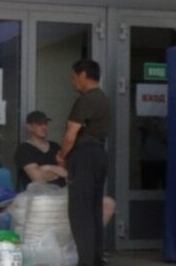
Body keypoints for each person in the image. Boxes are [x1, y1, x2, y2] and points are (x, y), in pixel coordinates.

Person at [14, 110, 116, 225]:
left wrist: (48, 167)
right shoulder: (24, 149)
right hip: (41, 197)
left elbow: (69, 173)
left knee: (108, 203)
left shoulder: (55, 147)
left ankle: (92, 235)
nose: (44, 127)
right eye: (39, 124)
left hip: (65, 193)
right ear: (29, 127)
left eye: (45, 123)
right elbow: (37, 177)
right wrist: (59, 171)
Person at [56, 59, 111, 266]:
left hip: (84, 156)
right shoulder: (104, 99)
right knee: (94, 209)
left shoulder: (85, 100)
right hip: (99, 154)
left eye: (74, 77)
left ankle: (86, 261)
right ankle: (97, 258)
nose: (72, 82)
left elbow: (71, 134)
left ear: (83, 75)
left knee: (80, 212)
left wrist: (63, 155)